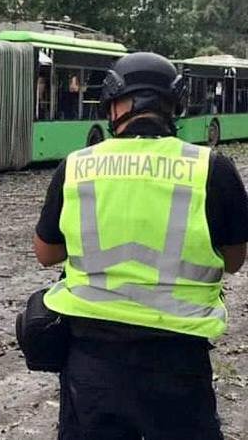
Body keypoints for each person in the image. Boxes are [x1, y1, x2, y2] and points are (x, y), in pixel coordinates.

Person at [32, 52, 248, 440]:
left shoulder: (78, 166)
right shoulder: (211, 168)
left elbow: (47, 253)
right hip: (178, 363)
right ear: (174, 105)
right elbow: (234, 260)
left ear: (116, 105)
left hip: (92, 362)